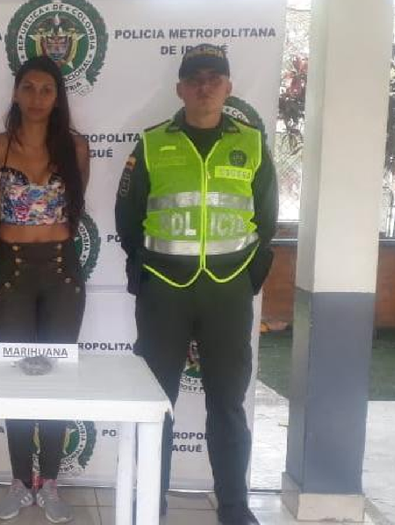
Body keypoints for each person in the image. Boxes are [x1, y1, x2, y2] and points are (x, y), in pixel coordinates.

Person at [115, 44, 278, 525]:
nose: (204, 87)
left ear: (228, 88)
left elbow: (266, 220)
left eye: (214, 78)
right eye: (195, 79)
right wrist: (149, 270)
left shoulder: (252, 144)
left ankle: (234, 507)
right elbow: (128, 218)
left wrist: (243, 277)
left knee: (227, 404)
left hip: (227, 292)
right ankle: (152, 504)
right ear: (180, 88)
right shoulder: (151, 144)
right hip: (164, 292)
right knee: (156, 403)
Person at [0, 55, 90, 523]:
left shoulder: (76, 147)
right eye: (29, 87)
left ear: (58, 96)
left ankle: (52, 483)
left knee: (57, 376)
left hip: (62, 272)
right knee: (17, 377)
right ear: (15, 92)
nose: (38, 97)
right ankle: (20, 481)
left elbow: (75, 210)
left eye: (47, 89)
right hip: (12, 272)